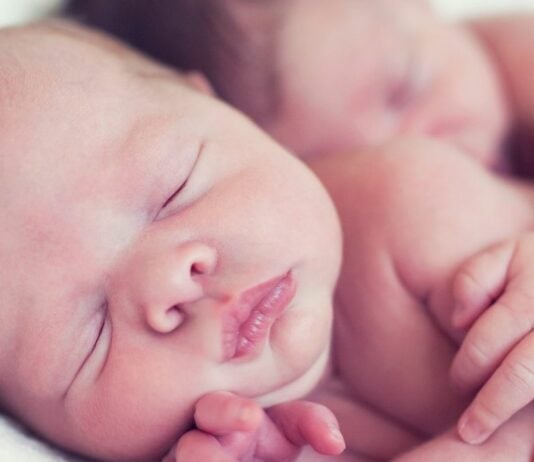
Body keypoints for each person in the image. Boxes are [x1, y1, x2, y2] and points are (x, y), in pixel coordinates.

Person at [0, 17, 533, 462]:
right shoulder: (250, 443)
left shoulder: (410, 205)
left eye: (174, 192)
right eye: (91, 339)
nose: (172, 283)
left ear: (232, 115)